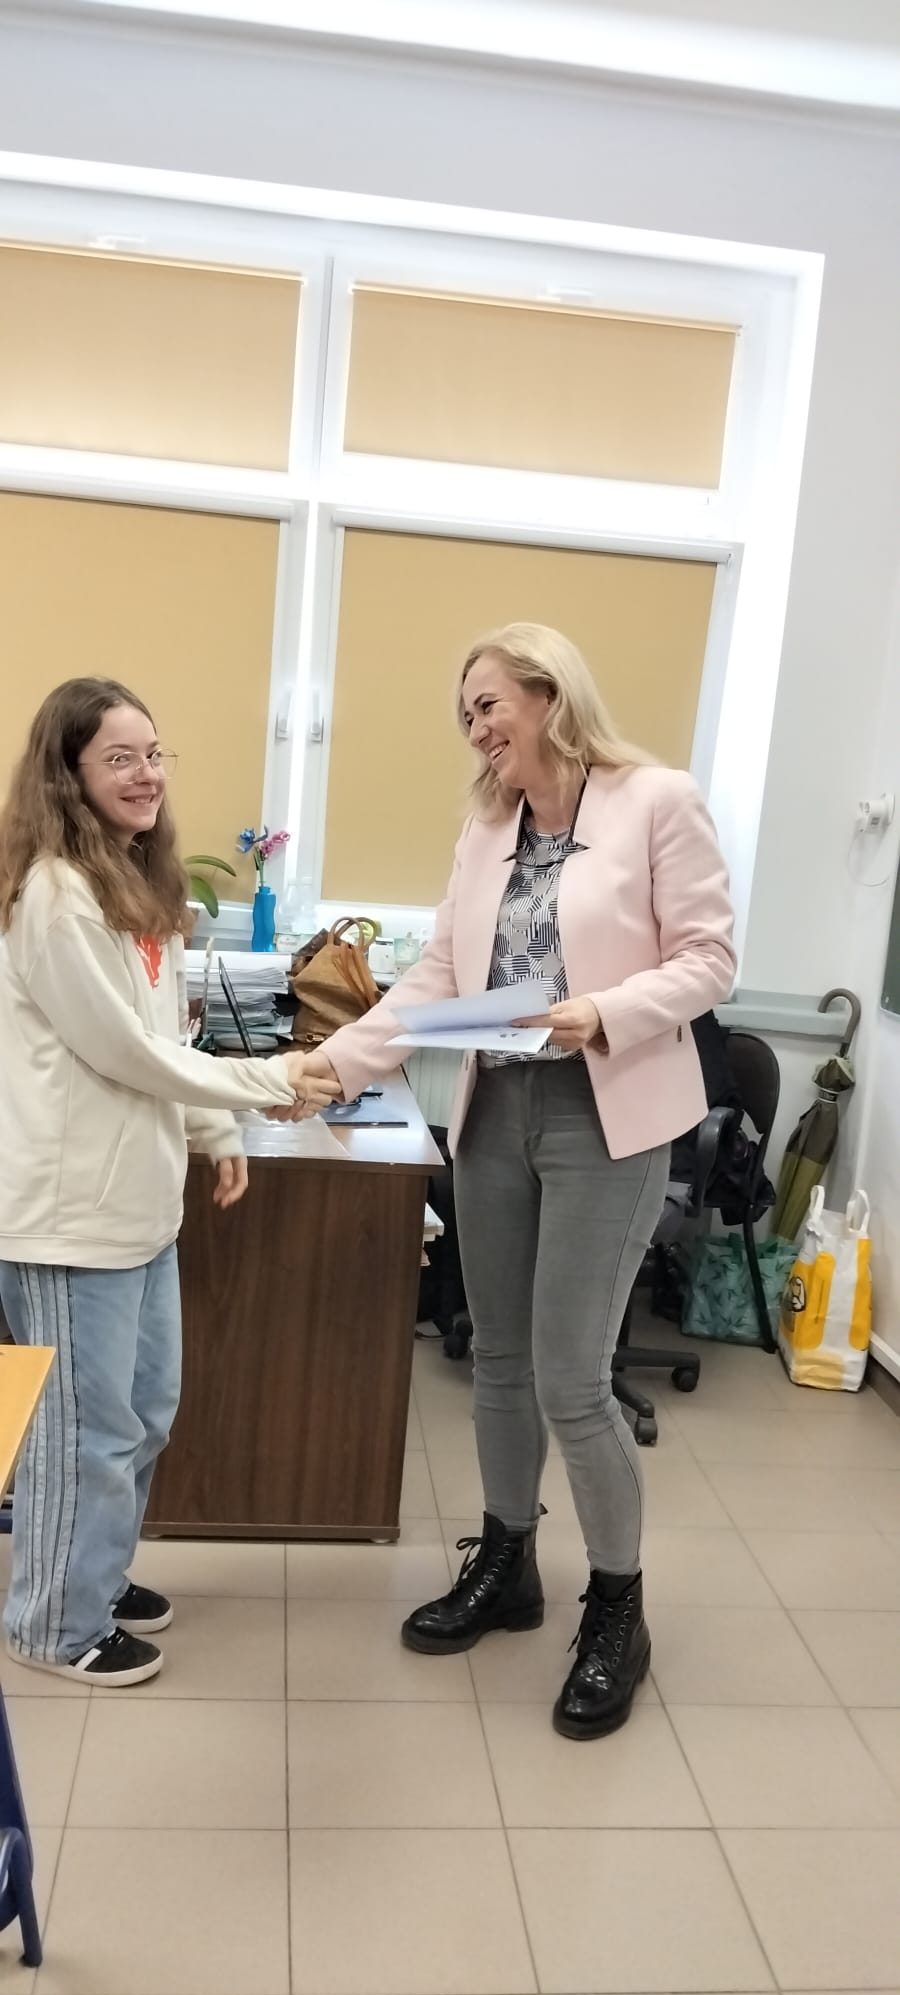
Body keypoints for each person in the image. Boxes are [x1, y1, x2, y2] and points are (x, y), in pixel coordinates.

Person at [287, 622, 736, 1739]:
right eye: (466, 714)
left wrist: (604, 1010)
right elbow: (441, 977)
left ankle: (619, 1608)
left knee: (573, 1380)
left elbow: (710, 958)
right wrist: (332, 1065)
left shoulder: (656, 800)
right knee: (496, 1354)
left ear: (548, 693)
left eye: (489, 703)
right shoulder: (488, 825)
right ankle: (508, 1561)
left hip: (608, 1112)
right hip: (497, 1110)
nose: (477, 727)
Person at [0, 678, 339, 1687]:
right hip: (66, 1218)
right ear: (68, 774)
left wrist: (216, 1124)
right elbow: (119, 1049)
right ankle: (52, 1623)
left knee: (144, 1414)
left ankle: (91, 1577)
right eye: (120, 757)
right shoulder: (56, 893)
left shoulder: (135, 887)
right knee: (83, 1433)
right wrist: (271, 1080)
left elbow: (162, 1035)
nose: (146, 774)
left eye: (153, 753)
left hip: (139, 1207)